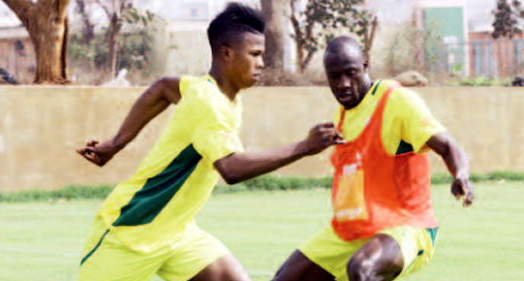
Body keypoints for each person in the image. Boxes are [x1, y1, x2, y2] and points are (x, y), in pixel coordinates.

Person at [75, 3, 342, 281]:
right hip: (131, 230)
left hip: (177, 233)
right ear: (227, 53)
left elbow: (163, 88)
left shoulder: (208, 90)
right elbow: (231, 168)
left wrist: (116, 144)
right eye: (255, 54)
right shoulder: (208, 102)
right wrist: (303, 147)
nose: (262, 63)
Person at [272, 36, 476, 281]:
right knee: (285, 278)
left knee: (363, 269)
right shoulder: (342, 116)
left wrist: (461, 175)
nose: (343, 84)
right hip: (352, 232)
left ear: (366, 65)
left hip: (407, 227)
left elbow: (448, 145)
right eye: (334, 76)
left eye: (351, 73)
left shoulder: (397, 101)